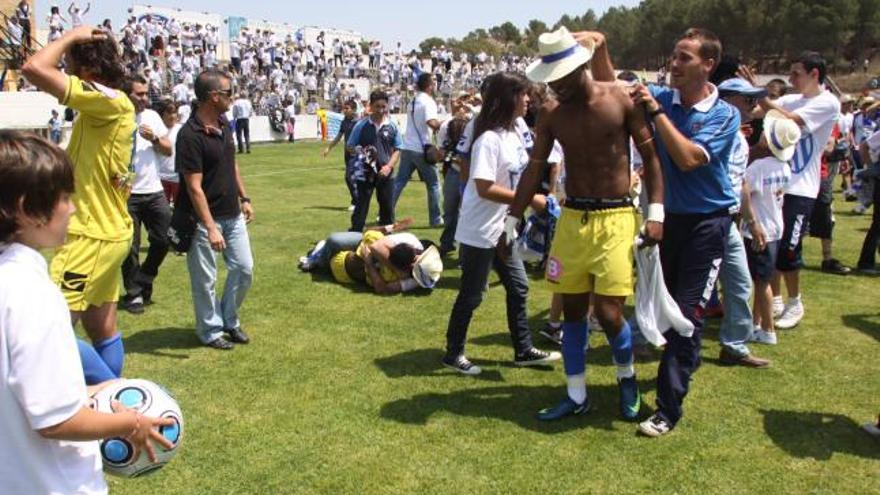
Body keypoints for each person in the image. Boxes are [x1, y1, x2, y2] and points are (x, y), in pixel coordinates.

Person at [0, 130, 174, 495]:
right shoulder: (31, 295)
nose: (73, 207)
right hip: (49, 483)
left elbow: (20, 388)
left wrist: (94, 389)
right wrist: (129, 422)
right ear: (25, 208)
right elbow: (55, 419)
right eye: (64, 197)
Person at [510, 28, 663, 420]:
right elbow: (534, 167)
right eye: (551, 78)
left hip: (616, 218)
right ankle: (576, 395)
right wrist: (513, 216)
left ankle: (626, 378)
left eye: (562, 75)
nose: (556, 84)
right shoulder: (551, 112)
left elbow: (652, 158)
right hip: (573, 218)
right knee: (573, 313)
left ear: (580, 66)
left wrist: (657, 212)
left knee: (610, 314)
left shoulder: (622, 98)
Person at [629, 28, 741, 437]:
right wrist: (601, 50)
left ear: (707, 64)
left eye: (684, 58)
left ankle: (667, 409)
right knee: (664, 306)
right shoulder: (662, 96)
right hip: (668, 220)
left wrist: (657, 113)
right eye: (674, 56)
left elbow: (689, 158)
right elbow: (613, 83)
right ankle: (685, 361)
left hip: (707, 225)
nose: (674, 64)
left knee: (686, 315)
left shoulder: (725, 114)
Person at [22, 26, 135, 382]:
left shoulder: (108, 101)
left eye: (70, 62)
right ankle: (110, 401)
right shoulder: (105, 107)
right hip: (108, 233)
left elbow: (34, 69)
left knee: (51, 328)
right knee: (102, 326)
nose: (65, 69)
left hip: (90, 235)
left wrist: (71, 36)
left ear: (87, 67)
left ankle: (113, 397)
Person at [442, 72, 561, 376]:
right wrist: (529, 199)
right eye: (522, 95)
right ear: (508, 98)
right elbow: (483, 187)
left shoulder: (512, 134)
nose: (527, 100)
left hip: (503, 226)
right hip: (480, 229)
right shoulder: (489, 139)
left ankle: (523, 350)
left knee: (519, 287)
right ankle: (453, 353)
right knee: (472, 294)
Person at [741, 52, 841, 330]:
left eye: (796, 73)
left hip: (801, 187)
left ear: (814, 75)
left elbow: (790, 119)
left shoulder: (827, 102)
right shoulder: (788, 98)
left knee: (789, 248)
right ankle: (773, 301)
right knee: (770, 245)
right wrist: (746, 95)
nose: (791, 78)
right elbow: (757, 110)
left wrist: (762, 96)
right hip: (777, 184)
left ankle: (795, 301)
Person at [176, 69, 255, 350]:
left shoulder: (224, 123)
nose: (232, 98)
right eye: (228, 93)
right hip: (202, 220)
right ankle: (210, 330)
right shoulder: (189, 136)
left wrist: (244, 198)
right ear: (213, 96)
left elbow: (232, 164)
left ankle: (229, 320)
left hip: (232, 215)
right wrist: (209, 226)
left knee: (244, 269)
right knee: (205, 280)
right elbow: (193, 187)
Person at [713, 78, 773, 368]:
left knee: (740, 284)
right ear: (727, 100)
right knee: (682, 286)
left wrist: (753, 221)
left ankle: (733, 345)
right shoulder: (717, 133)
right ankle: (640, 337)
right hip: (708, 221)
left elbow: (742, 183)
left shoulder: (739, 138)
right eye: (747, 99)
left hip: (730, 224)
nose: (754, 105)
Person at [119, 75, 173, 315]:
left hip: (154, 190)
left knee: (163, 239)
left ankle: (145, 277)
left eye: (145, 93)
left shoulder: (151, 117)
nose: (144, 98)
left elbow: (167, 148)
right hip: (126, 194)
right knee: (130, 247)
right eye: (139, 94)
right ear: (126, 94)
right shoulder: (116, 117)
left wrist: (153, 138)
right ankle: (135, 294)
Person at [744, 112, 798, 345]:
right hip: (775, 228)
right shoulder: (784, 167)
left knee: (761, 282)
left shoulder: (758, 167)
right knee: (761, 279)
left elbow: (743, 190)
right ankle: (755, 324)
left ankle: (768, 328)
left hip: (757, 231)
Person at [346, 91, 401, 232]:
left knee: (387, 208)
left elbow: (398, 149)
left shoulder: (392, 126)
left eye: (384, 106)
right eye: (377, 106)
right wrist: (363, 153)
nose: (381, 110)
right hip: (364, 172)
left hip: (386, 173)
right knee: (361, 206)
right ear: (370, 106)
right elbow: (350, 147)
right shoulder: (361, 125)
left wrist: (389, 167)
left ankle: (387, 240)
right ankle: (355, 235)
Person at [393, 72, 444, 227]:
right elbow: (432, 123)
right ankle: (435, 219)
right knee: (434, 184)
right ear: (429, 85)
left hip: (408, 146)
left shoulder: (413, 100)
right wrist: (448, 124)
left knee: (399, 182)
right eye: (433, 82)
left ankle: (385, 212)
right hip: (422, 148)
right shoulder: (428, 101)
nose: (435, 85)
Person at [323, 99, 358, 210]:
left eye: (347, 108)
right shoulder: (345, 121)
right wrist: (329, 147)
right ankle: (358, 201)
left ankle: (356, 201)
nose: (344, 110)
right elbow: (339, 137)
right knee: (352, 178)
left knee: (349, 177)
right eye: (344, 108)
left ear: (353, 110)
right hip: (347, 153)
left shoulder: (359, 122)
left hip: (356, 154)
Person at [156, 99, 182, 206]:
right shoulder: (156, 130)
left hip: (178, 177)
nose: (172, 116)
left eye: (174, 112)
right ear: (162, 114)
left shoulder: (182, 129)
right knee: (163, 212)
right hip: (160, 177)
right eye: (169, 112)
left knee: (180, 209)